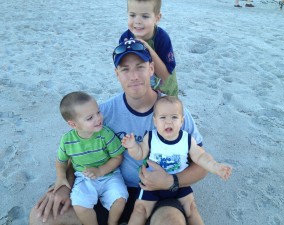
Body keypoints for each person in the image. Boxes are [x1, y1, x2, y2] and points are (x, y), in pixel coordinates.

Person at [29, 39, 208, 225]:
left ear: (151, 69)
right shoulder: (101, 114)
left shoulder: (172, 112)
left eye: (140, 67)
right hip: (108, 187)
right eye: (125, 69)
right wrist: (64, 184)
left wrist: (171, 181)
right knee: (42, 218)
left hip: (159, 195)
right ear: (117, 74)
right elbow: (77, 152)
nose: (134, 76)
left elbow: (202, 165)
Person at [122, 96, 232, 225]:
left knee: (191, 208)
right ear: (155, 121)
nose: (168, 122)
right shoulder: (151, 137)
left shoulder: (187, 139)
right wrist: (132, 146)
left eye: (174, 117)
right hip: (151, 185)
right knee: (140, 209)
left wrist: (215, 167)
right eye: (163, 117)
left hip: (179, 184)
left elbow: (201, 156)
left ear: (182, 121)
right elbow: (140, 154)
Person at [54, 91, 128, 225]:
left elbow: (118, 156)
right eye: (90, 118)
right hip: (84, 178)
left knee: (120, 199)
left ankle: (112, 222)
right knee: (79, 204)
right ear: (73, 124)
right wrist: (61, 177)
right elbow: (61, 161)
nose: (98, 118)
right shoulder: (67, 140)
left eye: (98, 112)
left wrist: (100, 170)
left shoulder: (105, 134)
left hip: (109, 175)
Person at [119, 0, 179, 97]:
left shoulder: (162, 38)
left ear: (157, 18)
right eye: (132, 15)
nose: (137, 21)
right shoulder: (125, 38)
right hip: (141, 91)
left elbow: (165, 76)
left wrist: (147, 48)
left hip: (164, 92)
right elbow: (124, 69)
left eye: (145, 16)